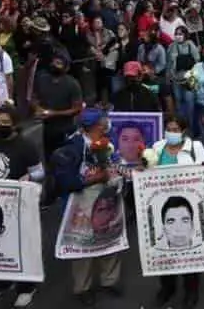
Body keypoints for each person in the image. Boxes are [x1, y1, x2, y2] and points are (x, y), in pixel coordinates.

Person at [50, 108, 123, 306]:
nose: (107, 124)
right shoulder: (72, 148)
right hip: (82, 204)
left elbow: (117, 163)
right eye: (104, 121)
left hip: (107, 200)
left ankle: (110, 281)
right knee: (83, 244)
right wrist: (93, 179)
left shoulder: (108, 142)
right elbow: (66, 182)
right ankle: (83, 287)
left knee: (109, 239)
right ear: (96, 125)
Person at [150, 113, 204, 309]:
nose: (171, 133)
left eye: (176, 130)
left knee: (189, 250)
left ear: (184, 131)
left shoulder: (195, 148)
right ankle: (167, 288)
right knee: (164, 250)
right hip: (162, 206)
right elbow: (147, 169)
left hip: (186, 205)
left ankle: (191, 290)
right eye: (169, 129)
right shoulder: (157, 148)